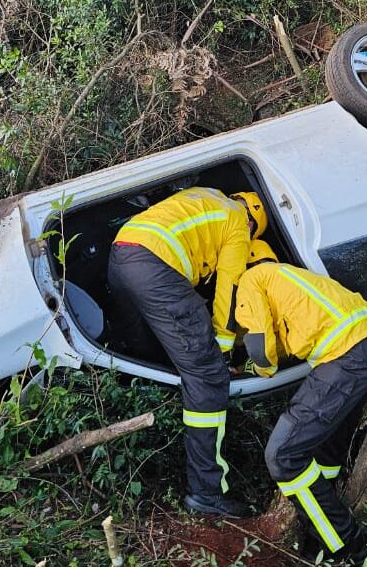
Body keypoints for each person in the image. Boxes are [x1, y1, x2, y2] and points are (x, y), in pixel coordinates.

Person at [107, 187, 268, 518]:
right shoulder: (238, 223)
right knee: (207, 377)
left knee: (148, 356)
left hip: (122, 256)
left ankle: (148, 458)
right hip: (155, 267)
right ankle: (206, 492)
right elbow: (230, 289)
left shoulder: (207, 195)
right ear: (254, 223)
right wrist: (222, 352)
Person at [235, 240, 367, 562]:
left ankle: (348, 550)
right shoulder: (289, 279)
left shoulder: (253, 279)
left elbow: (262, 348)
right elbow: (284, 336)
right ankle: (319, 524)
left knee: (282, 455)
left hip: (346, 357)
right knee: (323, 452)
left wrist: (253, 369)